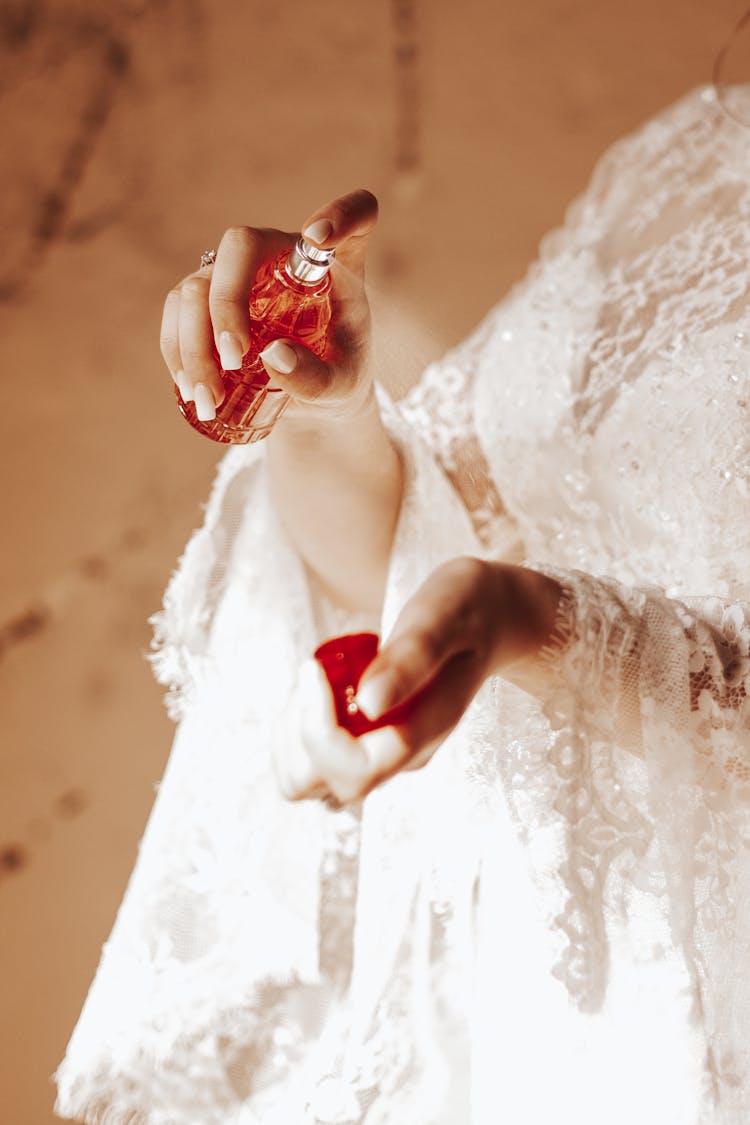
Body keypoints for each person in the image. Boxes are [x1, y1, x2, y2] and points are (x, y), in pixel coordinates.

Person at [55, 83, 750, 1125]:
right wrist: (319, 419)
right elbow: (410, 565)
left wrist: (541, 626)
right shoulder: (690, 147)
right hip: (524, 1022)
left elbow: (497, 599)